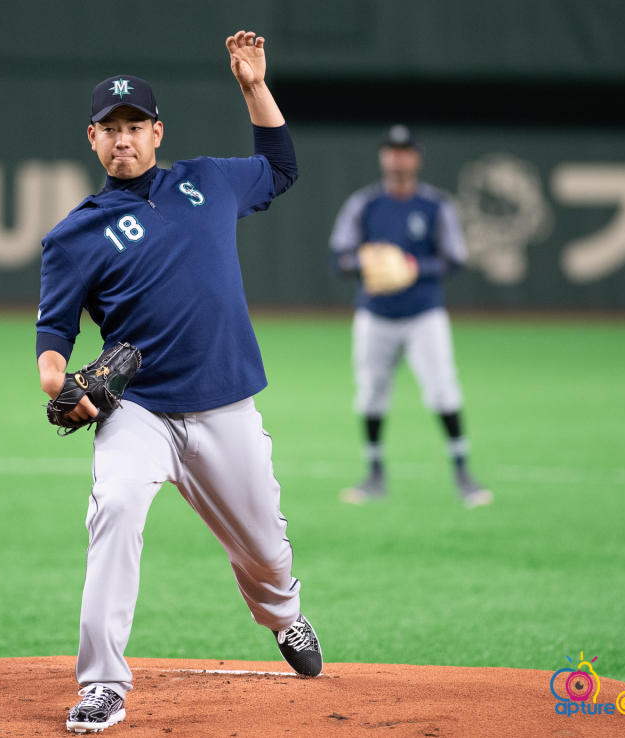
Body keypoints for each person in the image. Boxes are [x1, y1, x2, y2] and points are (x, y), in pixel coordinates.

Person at [37, 30, 322, 735]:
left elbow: (281, 167)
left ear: (156, 131)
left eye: (135, 126)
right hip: (140, 412)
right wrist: (59, 387)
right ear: (93, 139)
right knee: (116, 509)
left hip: (225, 406)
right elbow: (52, 344)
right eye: (111, 129)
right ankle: (103, 683)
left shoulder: (210, 181)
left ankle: (283, 615)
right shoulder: (75, 235)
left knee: (264, 551)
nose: (123, 139)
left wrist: (254, 87)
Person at [329, 124, 493, 509]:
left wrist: (413, 267)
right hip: (375, 315)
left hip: (424, 315)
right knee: (370, 394)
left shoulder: (436, 205)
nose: (397, 157)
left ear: (416, 158)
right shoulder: (365, 204)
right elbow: (340, 256)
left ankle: (463, 472)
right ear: (383, 157)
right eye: (391, 150)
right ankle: (374, 475)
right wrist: (364, 262)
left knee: (442, 389)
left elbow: (455, 258)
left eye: (404, 151)